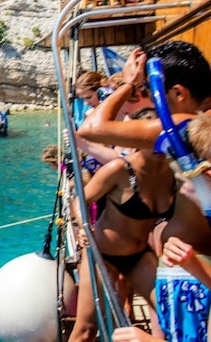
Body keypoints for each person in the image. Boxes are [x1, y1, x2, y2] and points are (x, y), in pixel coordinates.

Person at [68, 107, 173, 342]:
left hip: (139, 257)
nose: (158, 144)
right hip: (101, 256)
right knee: (85, 331)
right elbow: (80, 200)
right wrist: (84, 226)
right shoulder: (120, 169)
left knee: (172, 314)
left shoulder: (173, 173)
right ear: (137, 138)